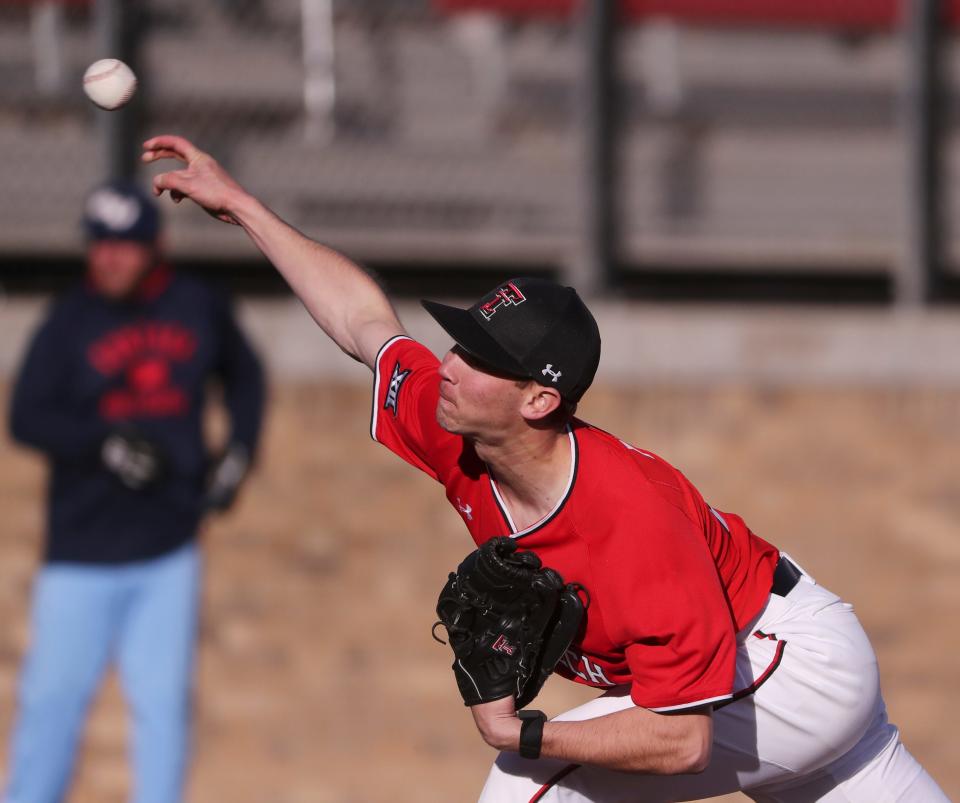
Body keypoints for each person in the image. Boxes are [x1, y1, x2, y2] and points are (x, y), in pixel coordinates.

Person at [140, 135, 948, 802]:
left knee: (528, 787)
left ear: (536, 400)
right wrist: (241, 207)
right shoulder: (456, 425)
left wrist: (522, 729)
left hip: (779, 662)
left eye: (480, 358)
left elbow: (682, 738)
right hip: (765, 666)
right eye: (460, 343)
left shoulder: (631, 517)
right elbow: (365, 325)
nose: (449, 367)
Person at [4, 179, 265, 803]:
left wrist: (237, 456)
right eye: (99, 245)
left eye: (123, 246)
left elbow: (246, 377)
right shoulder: (70, 321)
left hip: (168, 546)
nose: (109, 258)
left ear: (157, 246)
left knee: (162, 707)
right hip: (80, 552)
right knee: (50, 705)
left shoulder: (196, 304)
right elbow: (25, 417)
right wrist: (103, 441)